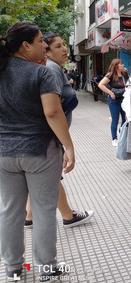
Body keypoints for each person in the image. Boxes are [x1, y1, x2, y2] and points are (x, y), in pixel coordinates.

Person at [0, 22, 74, 282]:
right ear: (25, 45)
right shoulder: (42, 74)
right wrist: (69, 145)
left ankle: (13, 268)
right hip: (39, 152)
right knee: (43, 210)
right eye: (41, 40)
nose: (45, 45)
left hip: (4, 153)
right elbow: (53, 112)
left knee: (10, 210)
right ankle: (46, 268)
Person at [24, 33, 94, 229]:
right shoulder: (51, 70)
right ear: (46, 50)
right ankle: (68, 216)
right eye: (58, 46)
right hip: (49, 137)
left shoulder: (53, 68)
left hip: (46, 137)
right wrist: (65, 143)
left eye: (64, 44)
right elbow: (52, 110)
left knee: (42, 178)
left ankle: (29, 217)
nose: (64, 49)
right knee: (51, 177)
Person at [98, 59, 128, 146]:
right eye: (121, 64)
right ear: (116, 66)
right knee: (115, 119)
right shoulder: (110, 75)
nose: (123, 65)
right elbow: (100, 85)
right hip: (114, 100)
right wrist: (111, 93)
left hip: (124, 99)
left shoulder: (124, 74)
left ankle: (120, 132)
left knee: (125, 119)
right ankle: (114, 138)